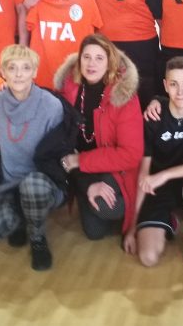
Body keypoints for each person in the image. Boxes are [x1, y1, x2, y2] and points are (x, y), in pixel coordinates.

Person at [0, 45, 69, 271]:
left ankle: (37, 237)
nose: (19, 74)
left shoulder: (51, 106)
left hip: (41, 180)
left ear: (35, 72)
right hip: (9, 180)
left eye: (26, 68)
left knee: (32, 186)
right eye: (12, 68)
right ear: (3, 72)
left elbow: (58, 150)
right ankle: (20, 213)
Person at [125, 56, 183, 268]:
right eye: (174, 84)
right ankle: (169, 218)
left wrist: (165, 174)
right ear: (166, 86)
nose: (180, 91)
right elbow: (144, 175)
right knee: (148, 258)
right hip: (158, 189)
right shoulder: (153, 118)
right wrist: (131, 227)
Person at [56, 33, 143, 241]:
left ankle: (102, 195)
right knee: (94, 233)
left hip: (112, 166)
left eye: (99, 58)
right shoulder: (69, 87)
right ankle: (85, 189)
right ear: (79, 60)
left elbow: (131, 154)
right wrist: (86, 181)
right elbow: (59, 136)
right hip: (78, 165)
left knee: (109, 208)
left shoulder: (123, 95)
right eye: (86, 57)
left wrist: (80, 161)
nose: (91, 64)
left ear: (110, 62)